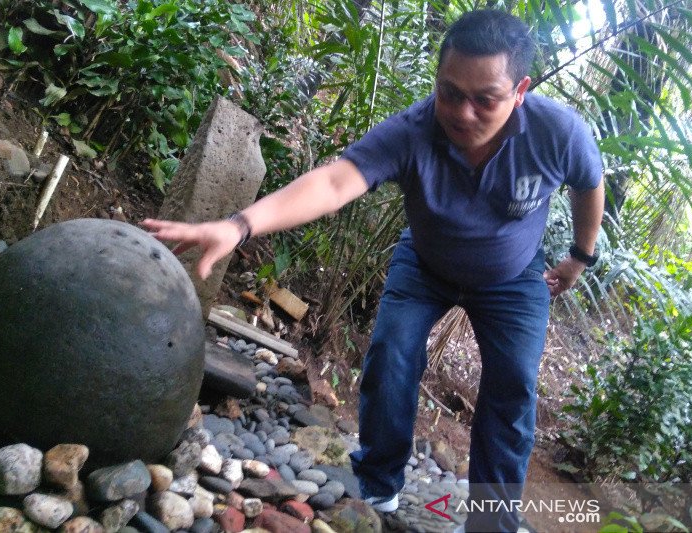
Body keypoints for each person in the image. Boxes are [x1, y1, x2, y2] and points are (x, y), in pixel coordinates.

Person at [142, 9, 604, 532]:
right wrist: (239, 225)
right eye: (450, 92)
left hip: (514, 276)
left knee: (514, 385)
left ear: (520, 90)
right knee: (391, 356)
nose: (463, 112)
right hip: (426, 263)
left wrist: (579, 257)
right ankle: (380, 483)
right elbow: (335, 183)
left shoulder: (557, 133)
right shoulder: (413, 130)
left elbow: (589, 184)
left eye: (485, 99)